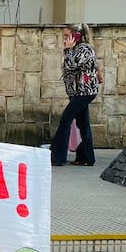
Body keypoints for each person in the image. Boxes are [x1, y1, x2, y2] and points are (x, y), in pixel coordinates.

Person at [50, 22, 101, 167]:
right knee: (83, 124)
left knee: (65, 120)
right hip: (78, 92)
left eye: (67, 36)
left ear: (76, 36)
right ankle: (86, 157)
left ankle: (57, 157)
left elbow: (71, 65)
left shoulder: (85, 49)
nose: (65, 39)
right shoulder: (76, 49)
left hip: (85, 92)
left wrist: (68, 51)